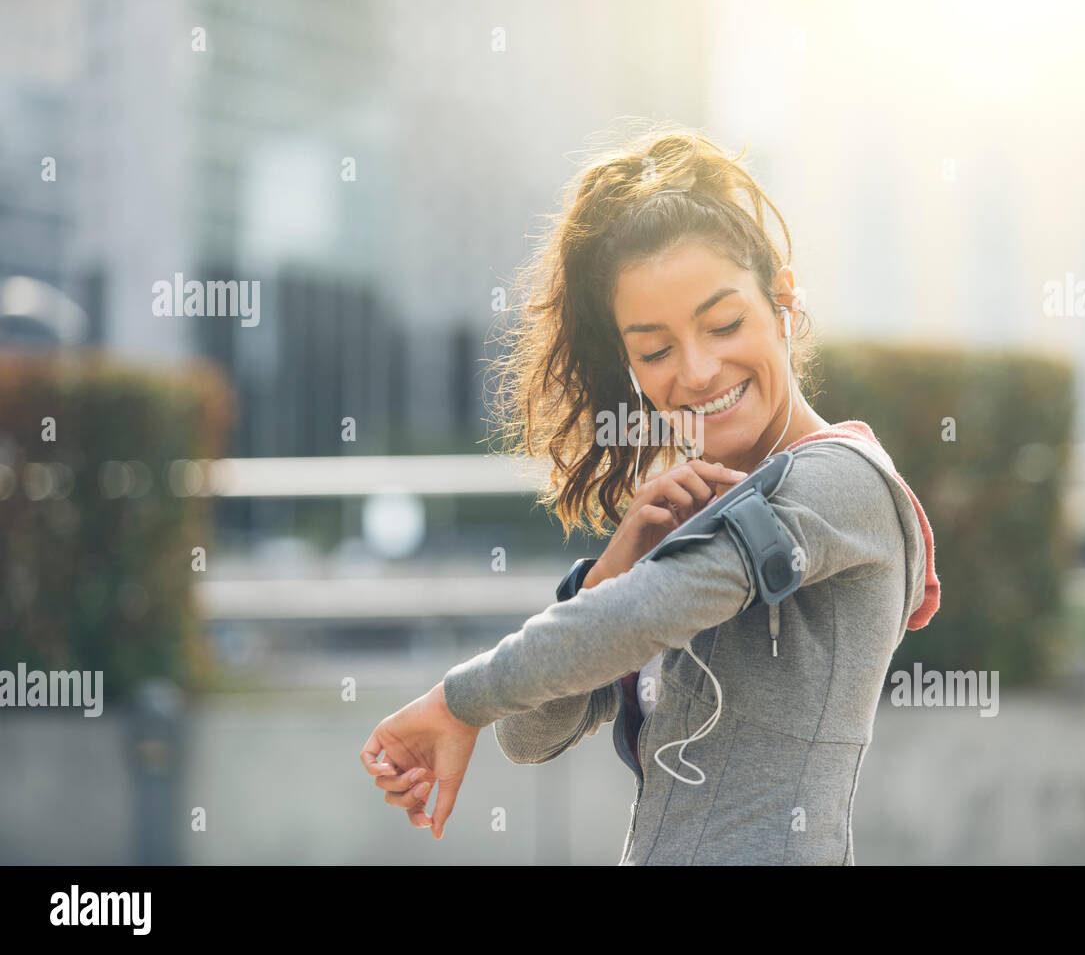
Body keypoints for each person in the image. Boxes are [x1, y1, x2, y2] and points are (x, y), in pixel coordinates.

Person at [360, 123, 941, 864]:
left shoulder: (841, 482)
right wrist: (614, 570)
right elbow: (529, 735)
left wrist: (453, 701)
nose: (696, 371)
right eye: (656, 350)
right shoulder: (700, 518)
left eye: (724, 323)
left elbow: (650, 614)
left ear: (782, 302)